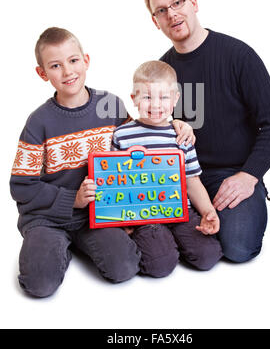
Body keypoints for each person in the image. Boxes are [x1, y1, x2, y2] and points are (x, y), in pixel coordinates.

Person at [10, 27, 195, 297]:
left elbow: (141, 136)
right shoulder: (39, 122)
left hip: (97, 216)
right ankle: (52, 247)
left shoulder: (110, 105)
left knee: (124, 268)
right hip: (47, 218)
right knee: (40, 285)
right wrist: (72, 199)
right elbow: (22, 186)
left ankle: (80, 245)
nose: (67, 71)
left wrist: (174, 123)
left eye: (73, 61)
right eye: (55, 66)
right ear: (42, 73)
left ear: (86, 60)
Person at [144, 0, 270, 263]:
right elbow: (154, 125)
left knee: (237, 247)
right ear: (155, 21)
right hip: (182, 174)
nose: (171, 14)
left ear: (193, 2)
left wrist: (249, 176)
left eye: (178, 2)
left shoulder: (238, 55)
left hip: (233, 173)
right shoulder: (162, 69)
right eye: (161, 10)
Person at [111, 60, 223, 277]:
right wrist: (121, 220)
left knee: (208, 256)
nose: (155, 105)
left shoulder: (181, 136)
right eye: (147, 97)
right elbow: (116, 184)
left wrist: (208, 211)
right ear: (134, 99)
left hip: (182, 211)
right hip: (145, 215)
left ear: (175, 99)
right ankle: (161, 245)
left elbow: (192, 181)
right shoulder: (122, 136)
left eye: (163, 97)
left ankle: (176, 241)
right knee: (159, 266)